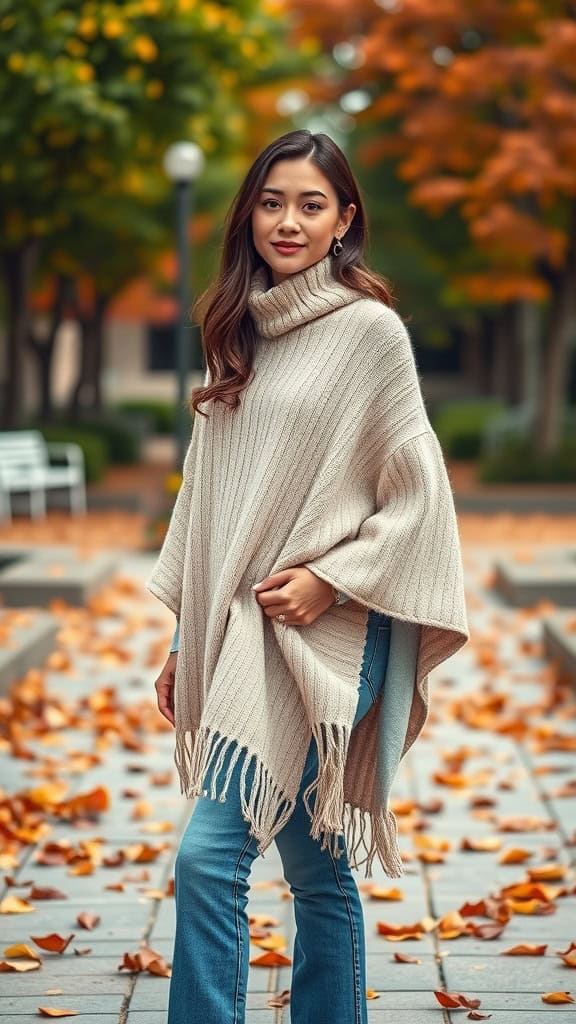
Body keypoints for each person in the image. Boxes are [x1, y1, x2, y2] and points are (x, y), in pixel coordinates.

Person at [147, 129, 469, 1024]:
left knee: (209, 856)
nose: (288, 220)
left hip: (329, 630)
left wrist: (331, 579)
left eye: (311, 204)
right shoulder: (235, 332)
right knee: (317, 861)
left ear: (344, 223)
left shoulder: (371, 334)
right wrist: (183, 641)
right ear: (249, 213)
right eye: (272, 201)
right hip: (238, 629)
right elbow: (207, 499)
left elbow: (419, 499)